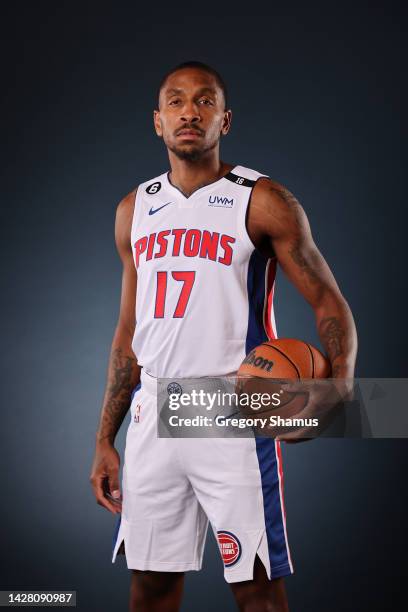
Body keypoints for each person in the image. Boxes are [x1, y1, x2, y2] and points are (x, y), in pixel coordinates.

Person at [90, 61, 357, 612]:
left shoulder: (262, 200)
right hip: (153, 413)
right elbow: (128, 330)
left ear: (224, 120)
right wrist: (104, 438)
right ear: (158, 122)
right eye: (176, 102)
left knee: (257, 591)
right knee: (151, 588)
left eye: (205, 101)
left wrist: (341, 392)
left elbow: (329, 299)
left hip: (232, 407)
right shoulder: (132, 210)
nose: (190, 111)